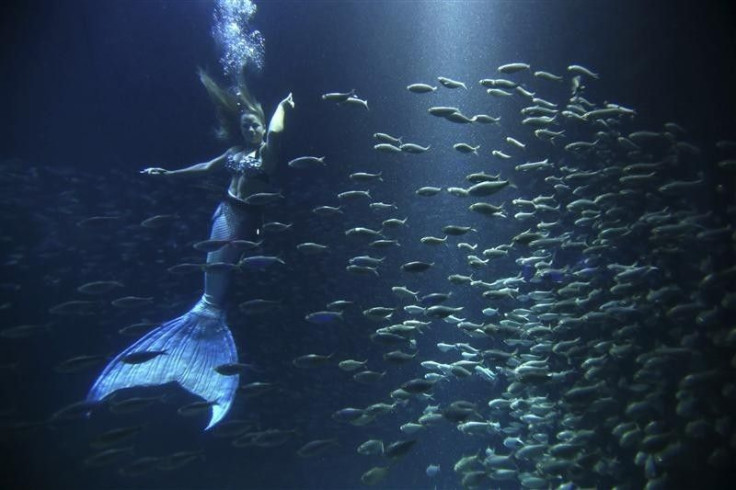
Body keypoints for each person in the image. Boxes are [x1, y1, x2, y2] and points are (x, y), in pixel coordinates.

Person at [87, 69, 294, 430]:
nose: (251, 130)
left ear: (261, 125)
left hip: (242, 221)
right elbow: (205, 168)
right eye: (245, 125)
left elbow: (276, 135)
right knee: (212, 292)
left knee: (213, 300)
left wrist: (283, 106)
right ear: (239, 129)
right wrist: (168, 173)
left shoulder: (266, 156)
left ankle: (200, 345)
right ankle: (195, 342)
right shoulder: (235, 151)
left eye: (255, 125)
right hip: (225, 215)